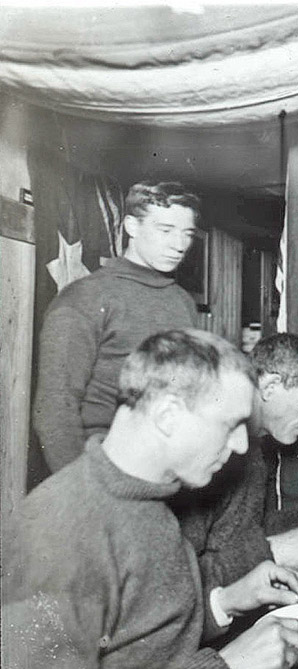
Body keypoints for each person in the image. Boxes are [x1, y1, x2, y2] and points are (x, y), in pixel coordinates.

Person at [4, 329, 298, 669]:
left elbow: (137, 644)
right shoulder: (58, 533)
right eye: (232, 425)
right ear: (168, 416)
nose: (241, 446)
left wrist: (224, 602)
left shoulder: (152, 500)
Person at [33, 181, 201, 474]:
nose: (179, 245)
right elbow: (54, 411)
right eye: (165, 230)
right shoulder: (85, 298)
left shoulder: (182, 302)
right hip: (101, 471)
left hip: (164, 471)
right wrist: (85, 490)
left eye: (186, 233)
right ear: (131, 226)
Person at [175, 333, 298, 587]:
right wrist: (273, 550)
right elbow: (174, 584)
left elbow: (244, 530)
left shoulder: (255, 447)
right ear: (270, 387)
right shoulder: (210, 451)